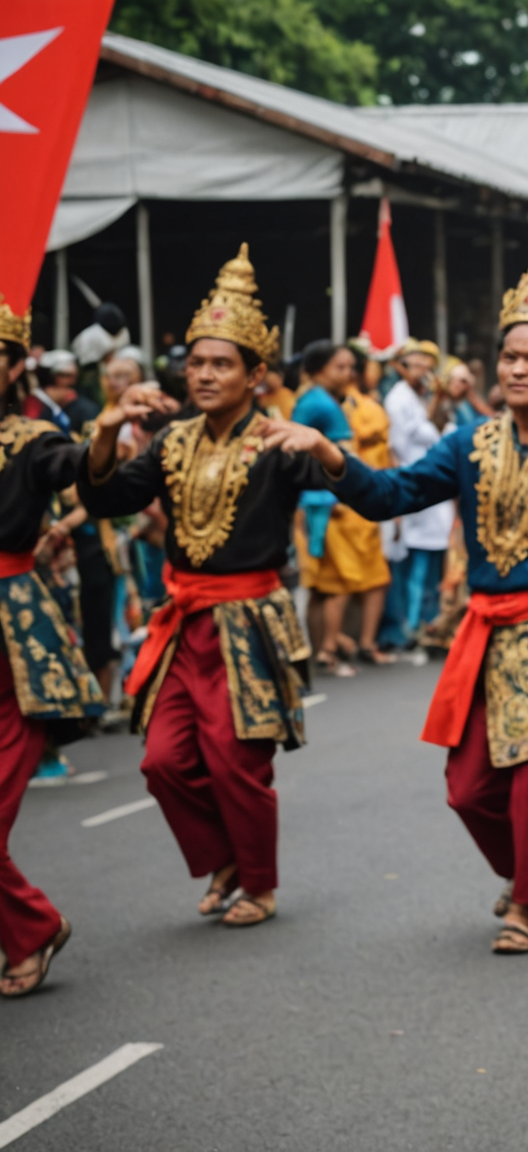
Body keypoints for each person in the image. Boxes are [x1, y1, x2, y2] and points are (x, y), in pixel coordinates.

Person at [272, 235, 528, 955]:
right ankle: (518, 872)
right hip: (486, 633)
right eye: (510, 356)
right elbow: (393, 493)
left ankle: (527, 903)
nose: (518, 368)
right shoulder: (467, 444)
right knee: (468, 789)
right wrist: (331, 455)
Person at [79, 246, 325, 930]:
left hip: (248, 623)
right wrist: (105, 432)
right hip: (184, 620)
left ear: (256, 376)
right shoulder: (172, 440)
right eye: (197, 362)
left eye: (222, 364)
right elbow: (109, 498)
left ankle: (261, 885)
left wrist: (323, 448)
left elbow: (342, 483)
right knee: (163, 761)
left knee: (239, 762)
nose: (205, 374)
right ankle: (223, 858)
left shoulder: (277, 440)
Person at [0, 298, 105, 997]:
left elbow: (81, 469)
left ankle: (32, 930)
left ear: (14, 366)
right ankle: (32, 927)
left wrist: (112, 430)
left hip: (11, 642)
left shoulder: (33, 440)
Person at [297, 341, 395, 670]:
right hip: (330, 503)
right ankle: (327, 649)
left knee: (324, 583)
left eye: (350, 367)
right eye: (339, 367)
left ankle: (326, 647)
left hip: (325, 500)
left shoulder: (320, 401)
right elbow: (311, 459)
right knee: (335, 582)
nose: (348, 373)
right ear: (317, 370)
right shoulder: (321, 404)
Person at [381, 339, 455, 651]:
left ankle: (425, 623)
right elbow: (399, 445)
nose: (423, 370)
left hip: (431, 487)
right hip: (412, 486)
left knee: (429, 563)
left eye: (427, 365)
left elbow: (432, 428)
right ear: (402, 366)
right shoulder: (398, 398)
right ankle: (406, 628)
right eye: (417, 364)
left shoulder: (417, 397)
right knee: (411, 563)